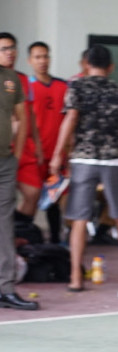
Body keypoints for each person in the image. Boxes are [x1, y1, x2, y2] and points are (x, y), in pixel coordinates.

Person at [49, 44, 118, 292]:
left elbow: (71, 119)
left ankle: (76, 277)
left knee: (79, 219)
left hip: (84, 160)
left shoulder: (76, 87)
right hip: (115, 160)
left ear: (86, 64)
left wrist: (58, 154)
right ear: (111, 67)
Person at [0, 56, 38, 310]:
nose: (8, 52)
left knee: (4, 224)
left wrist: (17, 153)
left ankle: (6, 288)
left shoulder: (10, 79)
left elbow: (21, 117)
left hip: (5, 161)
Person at [27, 41, 69, 244]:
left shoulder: (63, 86)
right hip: (34, 155)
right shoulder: (26, 87)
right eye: (37, 57)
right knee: (32, 198)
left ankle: (55, 241)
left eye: (45, 56)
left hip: (57, 156)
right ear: (30, 60)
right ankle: (28, 239)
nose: (42, 61)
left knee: (54, 200)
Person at [0, 32, 43, 222]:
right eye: (4, 49)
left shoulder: (25, 80)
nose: (10, 52)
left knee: (33, 192)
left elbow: (29, 114)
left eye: (12, 48)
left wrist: (38, 145)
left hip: (23, 148)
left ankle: (19, 235)